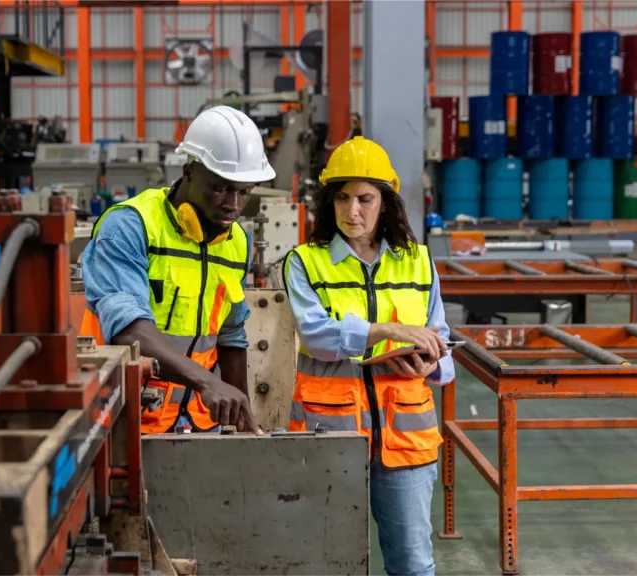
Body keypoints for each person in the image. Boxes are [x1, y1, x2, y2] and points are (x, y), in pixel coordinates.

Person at [283, 136, 454, 576]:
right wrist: (389, 330)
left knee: (413, 564)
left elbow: (443, 340)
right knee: (328, 562)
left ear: (386, 203)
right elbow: (318, 337)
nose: (352, 210)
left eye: (365, 198)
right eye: (341, 198)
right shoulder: (305, 262)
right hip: (329, 438)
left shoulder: (418, 261)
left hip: (406, 446)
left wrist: (432, 362)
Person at [81, 105, 274, 435]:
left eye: (243, 192)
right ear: (188, 171)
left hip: (199, 421)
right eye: (219, 187)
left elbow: (231, 334)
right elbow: (127, 326)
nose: (233, 204)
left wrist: (241, 411)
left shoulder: (237, 241)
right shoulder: (130, 226)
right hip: (126, 415)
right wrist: (207, 383)